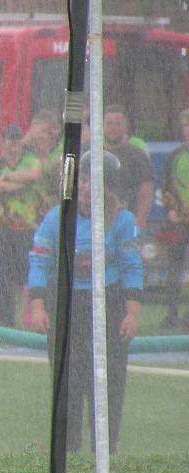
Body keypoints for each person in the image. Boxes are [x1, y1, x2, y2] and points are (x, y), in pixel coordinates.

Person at [28, 150, 142, 453]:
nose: (87, 187)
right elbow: (39, 261)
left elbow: (132, 268)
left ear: (109, 186)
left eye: (94, 181)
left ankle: (105, 449)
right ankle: (69, 451)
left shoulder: (122, 221)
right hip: (67, 304)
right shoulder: (57, 217)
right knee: (68, 381)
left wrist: (132, 313)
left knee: (108, 382)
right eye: (83, 180)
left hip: (109, 302)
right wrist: (38, 307)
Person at [0, 124, 42, 327]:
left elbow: (33, 175)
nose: (13, 145)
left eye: (17, 141)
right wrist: (17, 185)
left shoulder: (30, 160)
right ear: (3, 142)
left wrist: (8, 177)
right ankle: (5, 319)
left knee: (27, 273)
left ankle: (31, 318)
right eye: (9, 141)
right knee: (1, 275)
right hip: (0, 228)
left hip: (26, 227)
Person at [159, 108, 189, 328]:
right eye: (186, 125)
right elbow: (166, 187)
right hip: (179, 221)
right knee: (175, 268)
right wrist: (172, 211)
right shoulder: (175, 155)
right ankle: (172, 314)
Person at [103, 104, 153, 229]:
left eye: (118, 124)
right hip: (96, 222)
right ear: (102, 125)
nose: (113, 128)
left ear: (126, 126)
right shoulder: (90, 153)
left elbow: (146, 191)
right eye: (109, 123)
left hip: (128, 222)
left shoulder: (137, 155)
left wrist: (139, 222)